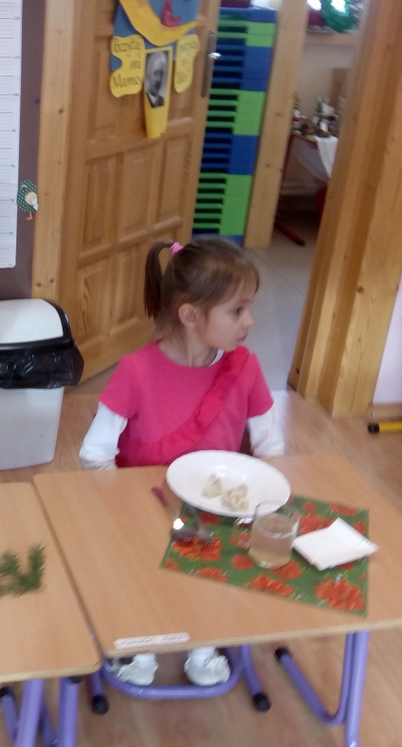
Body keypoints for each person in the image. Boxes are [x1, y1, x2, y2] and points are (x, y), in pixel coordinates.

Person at [79, 237, 284, 687]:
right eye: (237, 310)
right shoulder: (135, 371)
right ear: (190, 315)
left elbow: (270, 444)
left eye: (249, 308)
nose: (250, 321)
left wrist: (259, 495)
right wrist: (125, 502)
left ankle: (203, 645)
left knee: (218, 570)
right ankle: (141, 645)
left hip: (219, 511)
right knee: (141, 572)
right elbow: (94, 453)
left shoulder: (245, 367)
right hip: (146, 509)